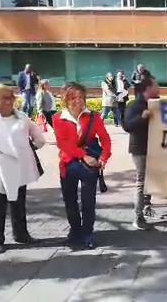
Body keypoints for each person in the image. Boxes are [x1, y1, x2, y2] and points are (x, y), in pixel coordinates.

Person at [0, 83, 46, 254]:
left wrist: (28, 150)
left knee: (19, 205)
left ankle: (21, 235)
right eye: (4, 97)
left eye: (11, 96)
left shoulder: (22, 117)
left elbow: (39, 139)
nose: (9, 100)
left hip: (18, 170)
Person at [53, 82, 112, 249]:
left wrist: (103, 157)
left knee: (88, 201)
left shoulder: (93, 116)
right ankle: (75, 230)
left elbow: (105, 139)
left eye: (80, 97)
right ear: (65, 99)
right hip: (68, 164)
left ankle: (87, 233)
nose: (77, 101)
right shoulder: (58, 118)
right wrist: (83, 156)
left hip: (90, 166)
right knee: (70, 201)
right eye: (73, 98)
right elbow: (62, 144)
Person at [123, 75, 160, 230]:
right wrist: (141, 118)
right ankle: (138, 217)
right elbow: (127, 126)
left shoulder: (155, 104)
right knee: (141, 182)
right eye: (155, 85)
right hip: (140, 150)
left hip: (153, 149)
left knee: (149, 181)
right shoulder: (135, 106)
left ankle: (146, 207)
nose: (158, 88)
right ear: (147, 89)